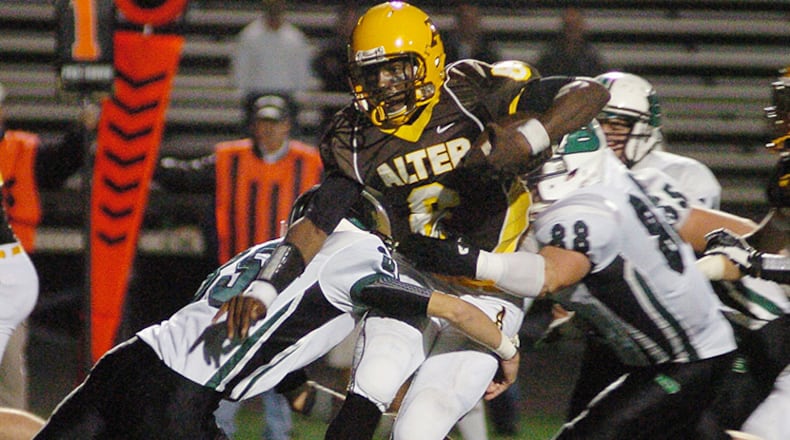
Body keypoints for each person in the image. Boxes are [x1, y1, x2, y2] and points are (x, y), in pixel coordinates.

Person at [216, 3, 609, 439]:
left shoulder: (471, 90)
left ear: (429, 60)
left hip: (491, 289)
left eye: (396, 70)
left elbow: (590, 93)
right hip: (413, 276)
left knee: (421, 424)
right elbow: (318, 219)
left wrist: (527, 139)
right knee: (372, 384)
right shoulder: (354, 135)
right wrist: (265, 286)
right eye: (372, 74)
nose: (383, 86)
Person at [32, 197, 521, 439]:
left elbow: (267, 330)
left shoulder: (270, 250)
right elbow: (456, 309)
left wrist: (296, 385)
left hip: (127, 363)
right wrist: (507, 351)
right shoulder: (358, 251)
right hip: (177, 399)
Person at [402, 121, 758, 439]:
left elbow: (548, 276)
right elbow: (719, 228)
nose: (518, 176)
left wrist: (468, 262)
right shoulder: (624, 181)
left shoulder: (582, 210)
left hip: (685, 358)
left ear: (566, 167)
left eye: (528, 167)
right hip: (666, 352)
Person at [155, 93, 323, 439]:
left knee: (277, 360)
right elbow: (179, 176)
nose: (268, 130)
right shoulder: (229, 158)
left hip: (290, 280)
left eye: (275, 123)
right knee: (225, 359)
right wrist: (140, 152)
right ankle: (222, 429)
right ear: (253, 125)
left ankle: (278, 432)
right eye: (262, 123)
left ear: (288, 126)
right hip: (237, 280)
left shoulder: (311, 164)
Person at [0, 81, 94, 410]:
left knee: (10, 368)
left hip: (8, 268)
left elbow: (60, 163)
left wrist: (81, 130)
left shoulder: (21, 149)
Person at [230, 0, 316, 115]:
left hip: (287, 96)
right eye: (271, 7)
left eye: (277, 7)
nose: (274, 11)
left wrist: (299, 93)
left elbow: (301, 70)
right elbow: (241, 67)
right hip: (256, 94)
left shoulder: (295, 38)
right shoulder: (249, 36)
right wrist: (242, 93)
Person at [311, 3, 360, 130]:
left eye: (352, 20)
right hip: (332, 111)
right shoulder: (329, 50)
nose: (348, 25)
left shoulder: (366, 49)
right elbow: (320, 68)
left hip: (359, 110)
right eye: (345, 20)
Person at [535, 7, 607, 77]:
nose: (572, 32)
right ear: (563, 29)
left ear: (582, 28)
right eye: (569, 27)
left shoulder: (592, 58)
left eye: (575, 27)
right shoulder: (549, 57)